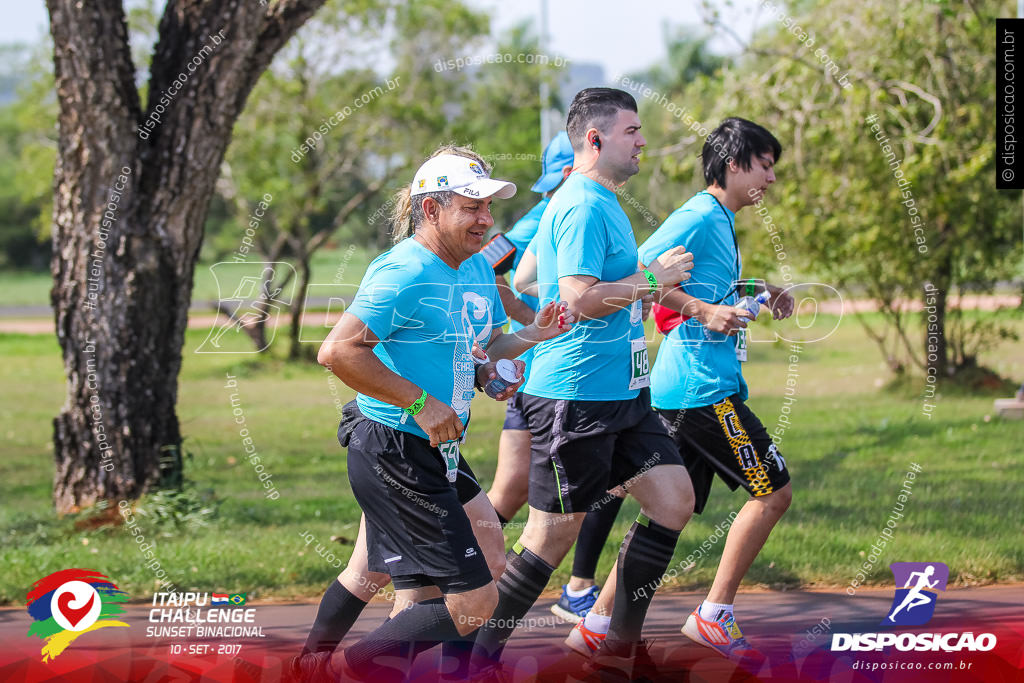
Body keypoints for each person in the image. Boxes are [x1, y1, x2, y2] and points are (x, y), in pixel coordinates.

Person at [300, 146, 575, 683]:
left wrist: (526, 341)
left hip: (437, 448)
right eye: (473, 207)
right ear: (431, 210)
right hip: (393, 448)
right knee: (473, 599)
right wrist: (423, 403)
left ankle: (319, 665)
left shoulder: (474, 268)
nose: (487, 220)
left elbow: (486, 345)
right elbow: (338, 351)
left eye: (488, 207)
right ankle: (337, 669)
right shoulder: (404, 270)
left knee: (480, 561)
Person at [470, 88, 697, 680]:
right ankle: (477, 657)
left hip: (622, 395)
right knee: (550, 537)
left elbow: (524, 272)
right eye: (632, 131)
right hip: (575, 396)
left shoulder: (593, 200)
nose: (642, 140)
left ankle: (615, 643)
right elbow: (575, 297)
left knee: (674, 500)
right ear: (593, 140)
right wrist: (650, 278)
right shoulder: (585, 205)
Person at [635, 117, 795, 660]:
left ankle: (600, 621)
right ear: (734, 164)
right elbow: (641, 272)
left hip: (690, 389)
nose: (771, 179)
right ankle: (714, 614)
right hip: (703, 392)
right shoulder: (700, 215)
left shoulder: (721, 220)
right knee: (773, 493)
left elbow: (710, 286)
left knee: (664, 512)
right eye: (765, 165)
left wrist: (758, 289)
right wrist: (702, 311)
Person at [487, 131, 626, 625]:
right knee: (586, 492)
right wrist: (536, 324)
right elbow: (493, 274)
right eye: (554, 179)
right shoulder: (554, 214)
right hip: (546, 374)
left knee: (512, 490)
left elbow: (514, 279)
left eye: (560, 177)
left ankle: (454, 579)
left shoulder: (552, 211)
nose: (555, 187)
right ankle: (573, 588)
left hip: (530, 373)